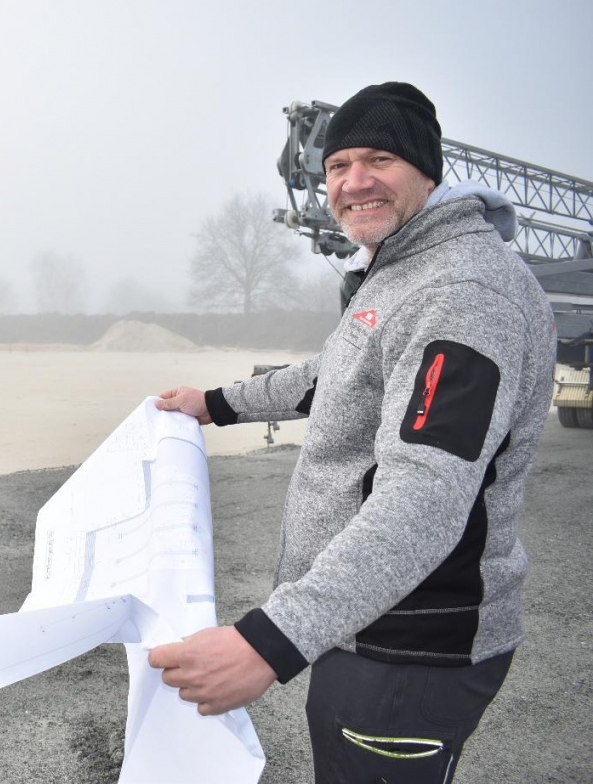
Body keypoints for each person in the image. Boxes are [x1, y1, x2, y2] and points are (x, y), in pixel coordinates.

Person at [148, 82, 556, 783]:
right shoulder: (400, 268)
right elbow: (337, 372)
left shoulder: (462, 292)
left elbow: (426, 495)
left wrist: (270, 641)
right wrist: (214, 403)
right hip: (366, 616)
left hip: (412, 639)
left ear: (427, 172)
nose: (354, 181)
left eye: (380, 160)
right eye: (338, 166)